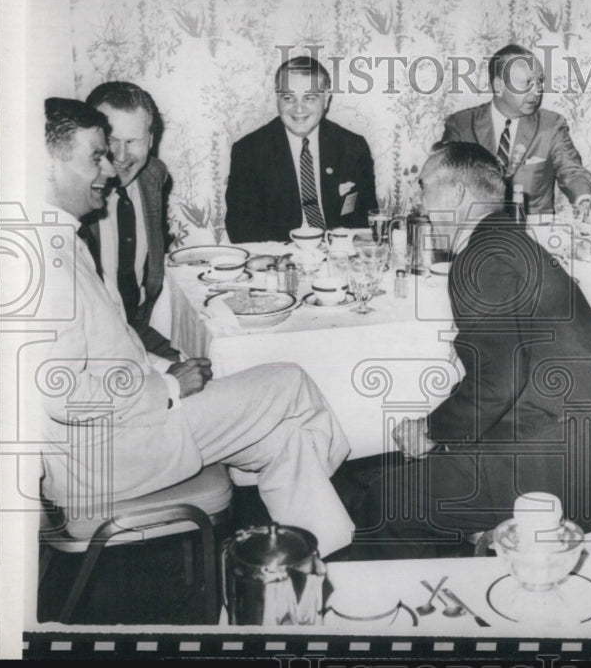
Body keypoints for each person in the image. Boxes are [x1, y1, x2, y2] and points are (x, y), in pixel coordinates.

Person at [39, 98, 355, 558]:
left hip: (118, 434)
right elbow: (61, 392)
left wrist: (164, 366)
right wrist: (166, 386)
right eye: (96, 156)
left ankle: (311, 566)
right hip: (108, 457)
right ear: (46, 166)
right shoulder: (44, 259)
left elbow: (112, 341)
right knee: (290, 381)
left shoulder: (55, 236)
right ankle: (294, 514)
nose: (109, 168)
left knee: (289, 436)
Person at [346, 141, 591, 559]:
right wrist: (441, 432)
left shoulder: (481, 260)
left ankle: (409, 610)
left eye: (424, 187)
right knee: (408, 475)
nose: (420, 202)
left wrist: (432, 431)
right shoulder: (509, 238)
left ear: (458, 193)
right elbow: (502, 371)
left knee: (390, 499)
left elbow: (496, 384)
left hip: (566, 465)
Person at [225, 56, 377, 243]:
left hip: (338, 256)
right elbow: (241, 229)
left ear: (326, 99)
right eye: (288, 98)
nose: (298, 109)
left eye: (309, 97)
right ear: (277, 99)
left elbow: (365, 221)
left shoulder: (353, 147)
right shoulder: (249, 151)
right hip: (279, 258)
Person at [441, 44, 591, 214]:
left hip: (534, 235)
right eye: (527, 83)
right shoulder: (461, 125)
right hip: (478, 234)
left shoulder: (551, 126)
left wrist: (584, 200)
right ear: (499, 86)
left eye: (540, 81)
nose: (537, 91)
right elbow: (441, 180)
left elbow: (572, 171)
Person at [84, 82, 179, 361]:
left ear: (150, 140)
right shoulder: (76, 195)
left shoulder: (154, 177)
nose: (121, 157)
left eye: (132, 141)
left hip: (139, 327)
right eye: (110, 140)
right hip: (96, 345)